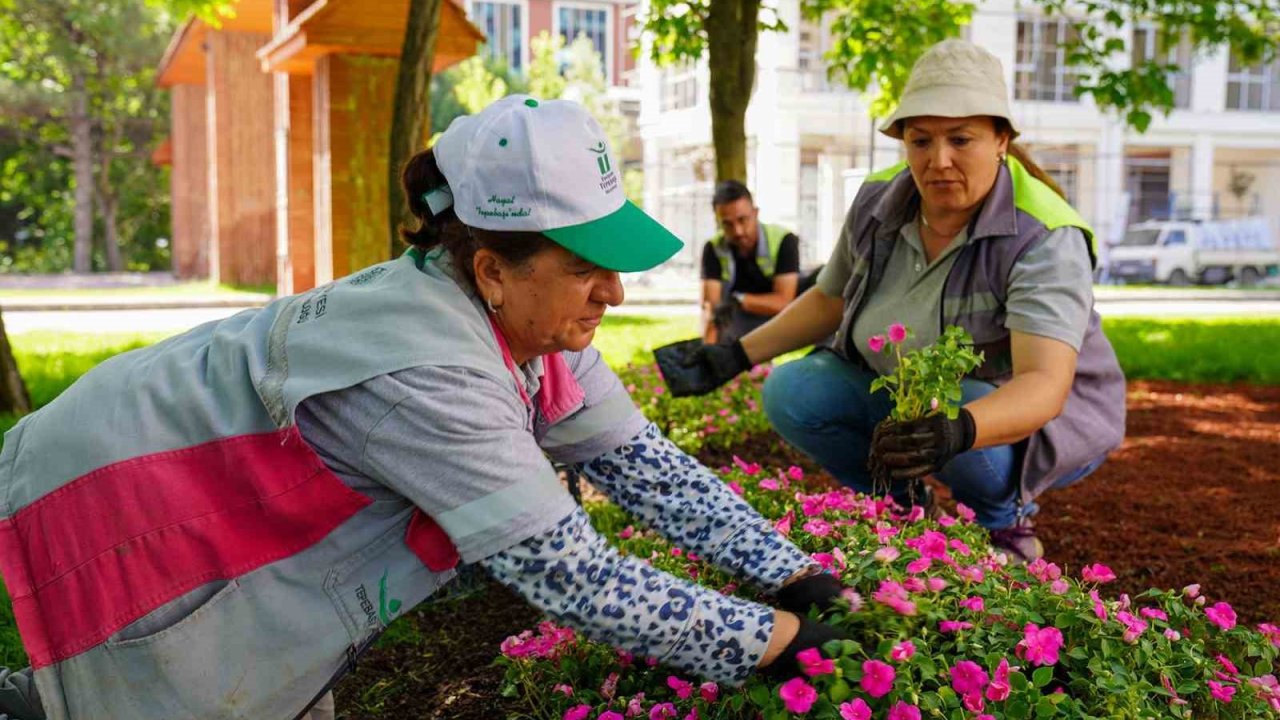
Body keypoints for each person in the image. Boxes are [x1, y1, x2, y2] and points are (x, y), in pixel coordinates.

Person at [0, 96, 849, 720]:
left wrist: (792, 572)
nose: (616, 293)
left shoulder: (527, 326)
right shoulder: (431, 371)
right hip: (127, 490)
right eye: (588, 265)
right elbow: (575, 580)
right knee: (167, 683)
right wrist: (779, 644)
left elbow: (643, 467)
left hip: (178, 463)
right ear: (491, 269)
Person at [657, 40, 1127, 564]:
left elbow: (1044, 384)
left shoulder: (1044, 233)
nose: (938, 160)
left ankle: (1004, 522)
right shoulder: (880, 201)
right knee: (793, 391)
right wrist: (733, 355)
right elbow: (828, 299)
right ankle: (905, 506)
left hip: (1019, 419)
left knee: (958, 401)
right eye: (920, 140)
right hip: (915, 397)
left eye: (961, 139)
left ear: (1001, 139)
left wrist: (957, 430)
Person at [700, 181, 811, 345]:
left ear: (756, 213)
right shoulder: (713, 248)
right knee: (722, 319)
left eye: (742, 220)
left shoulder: (783, 240)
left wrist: (739, 300)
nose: (737, 231)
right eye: (727, 224)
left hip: (784, 318)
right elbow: (712, 308)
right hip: (739, 321)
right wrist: (707, 353)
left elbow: (783, 302)